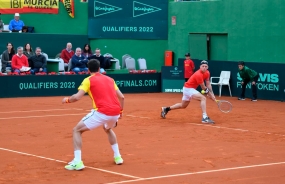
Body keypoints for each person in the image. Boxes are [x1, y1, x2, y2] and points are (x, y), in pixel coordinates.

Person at [62, 59, 124, 170]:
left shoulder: (88, 80)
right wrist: (121, 112)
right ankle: (118, 157)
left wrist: (67, 100)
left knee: (77, 130)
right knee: (108, 129)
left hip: (102, 112)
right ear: (99, 69)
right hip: (115, 112)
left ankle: (77, 161)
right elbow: (122, 97)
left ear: (88, 69)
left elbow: (77, 97)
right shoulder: (110, 79)